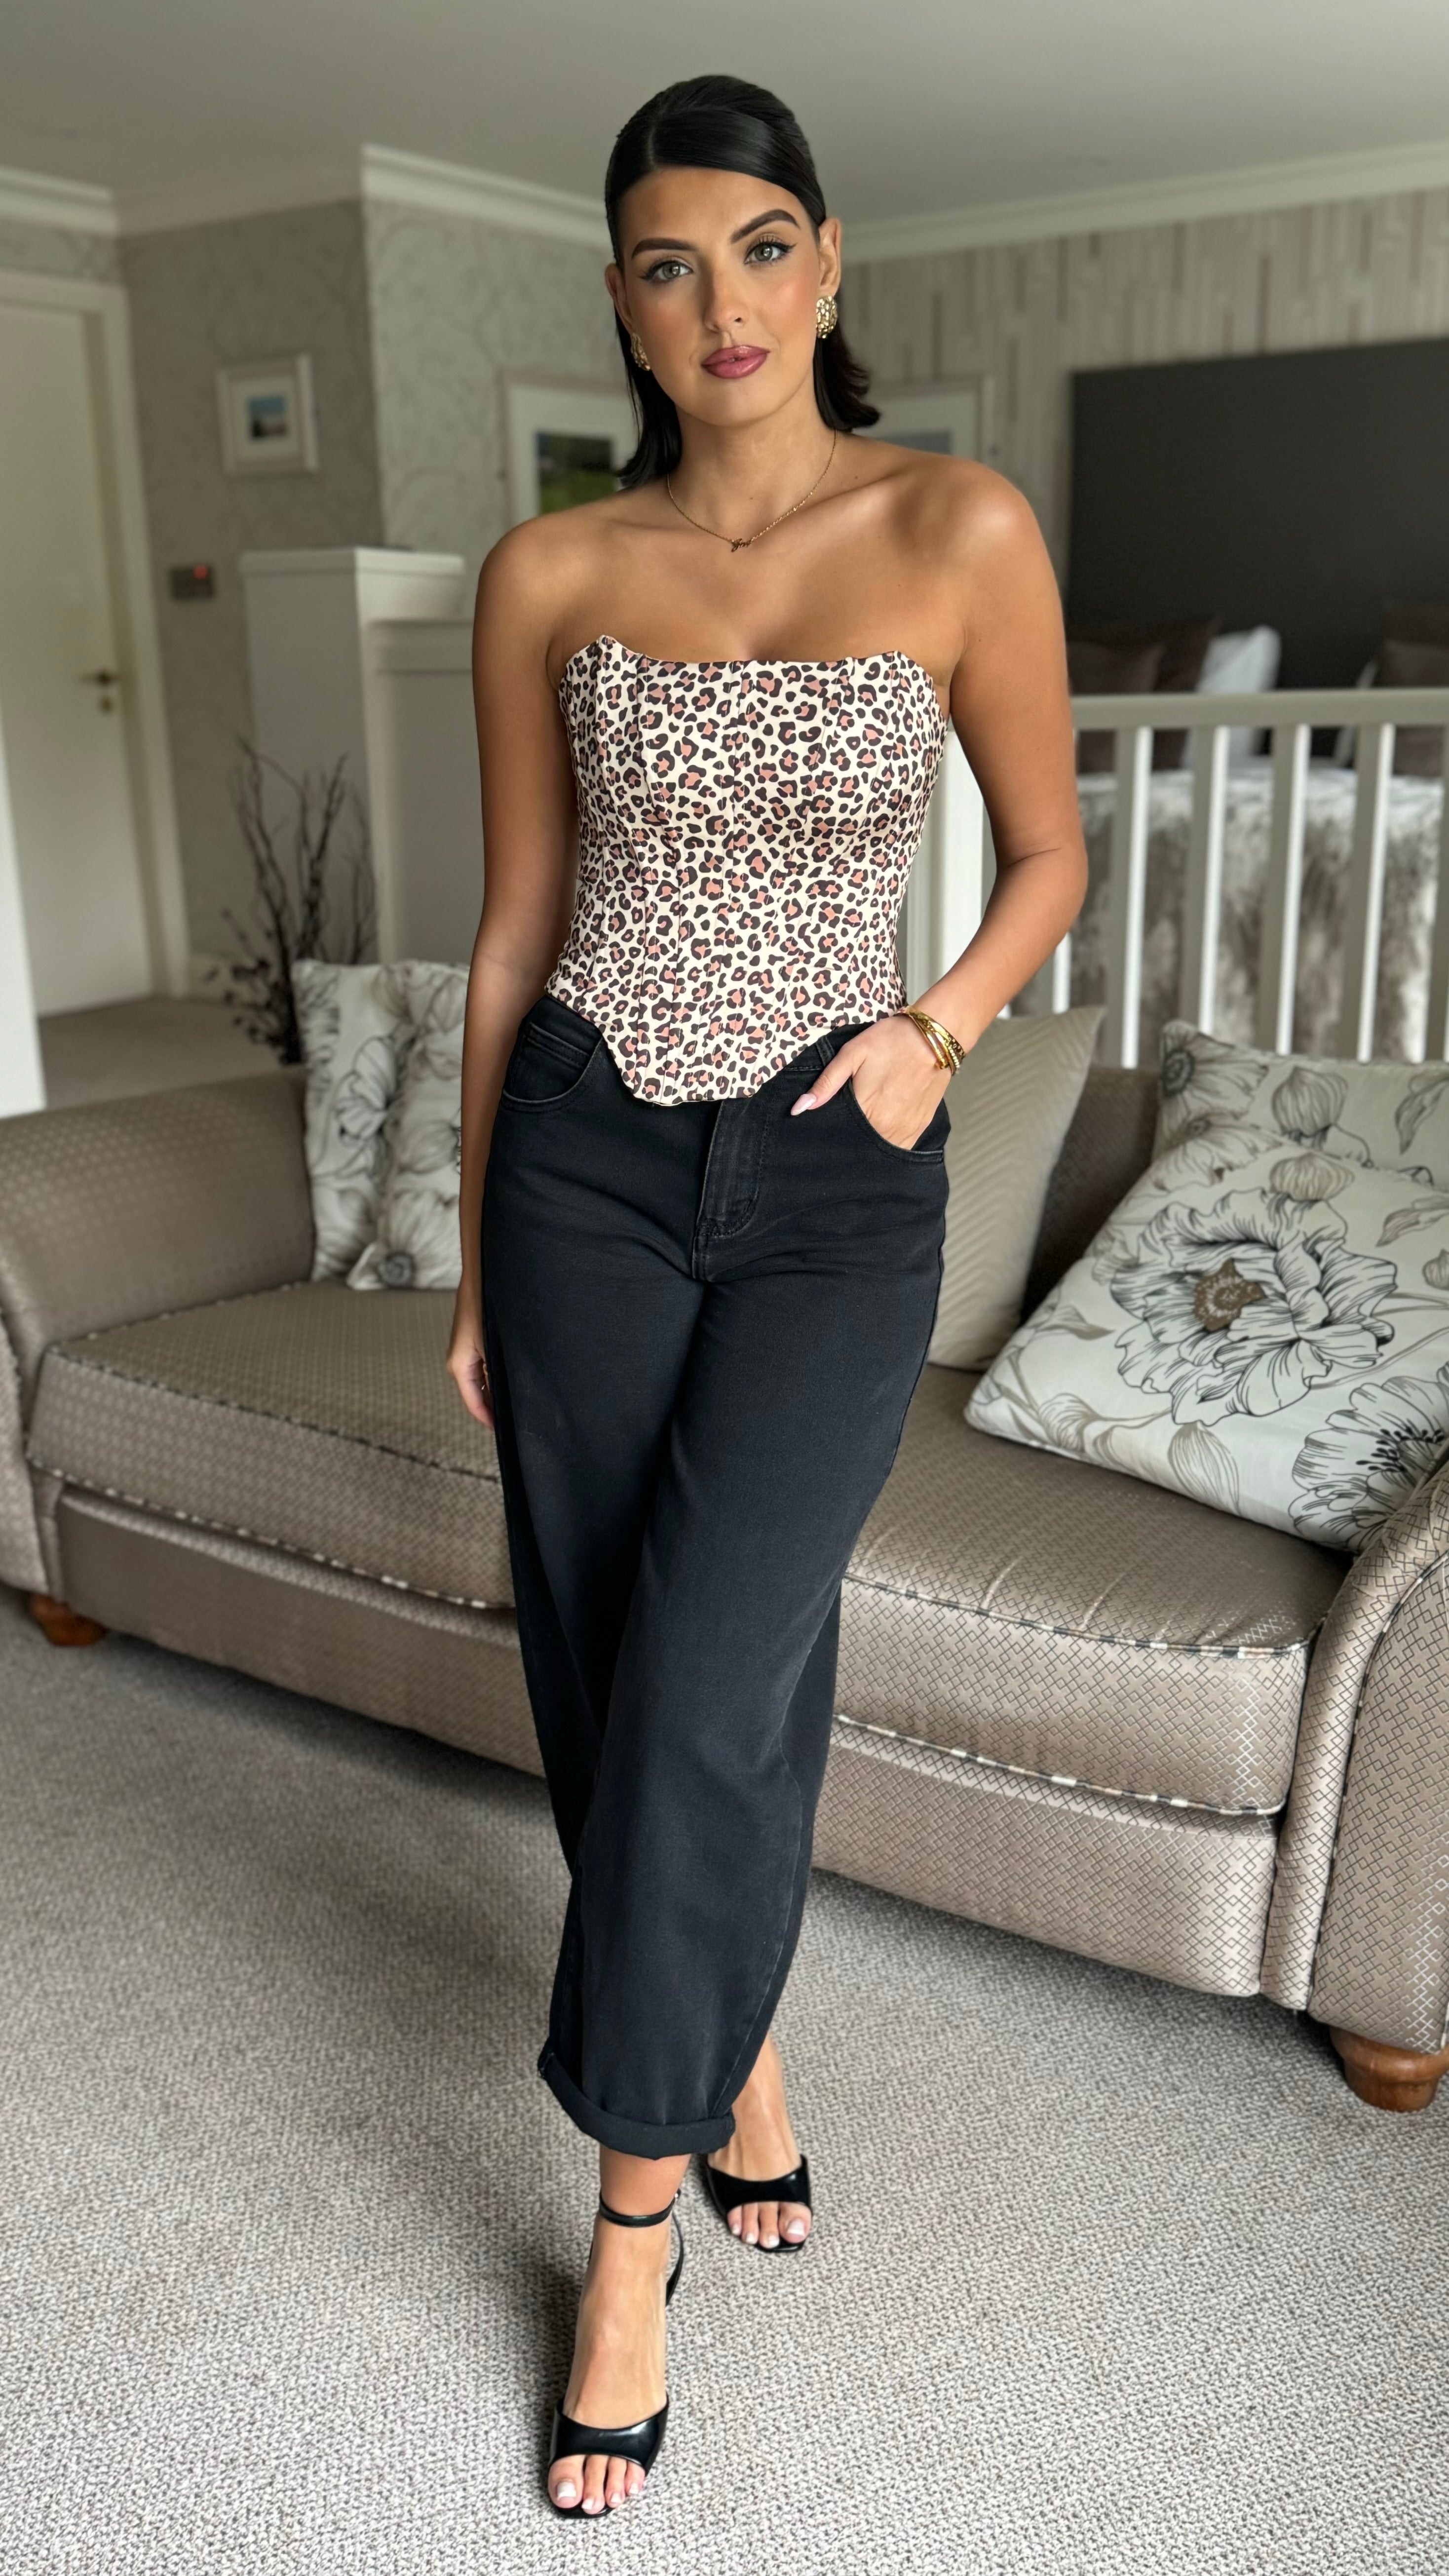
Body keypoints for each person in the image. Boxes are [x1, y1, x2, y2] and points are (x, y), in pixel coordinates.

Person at [447, 72, 1087, 2520]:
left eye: (752, 247)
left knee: (717, 1670)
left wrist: (937, 1034)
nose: (712, 301)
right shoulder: (549, 570)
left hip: (837, 1176)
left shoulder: (954, 526)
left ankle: (623, 2252)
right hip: (587, 1155)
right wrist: (476, 1244)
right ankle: (731, 2064)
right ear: (619, 304)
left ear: (824, 264)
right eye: (660, 262)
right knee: (609, 1670)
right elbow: (513, 928)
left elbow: (1044, 855)